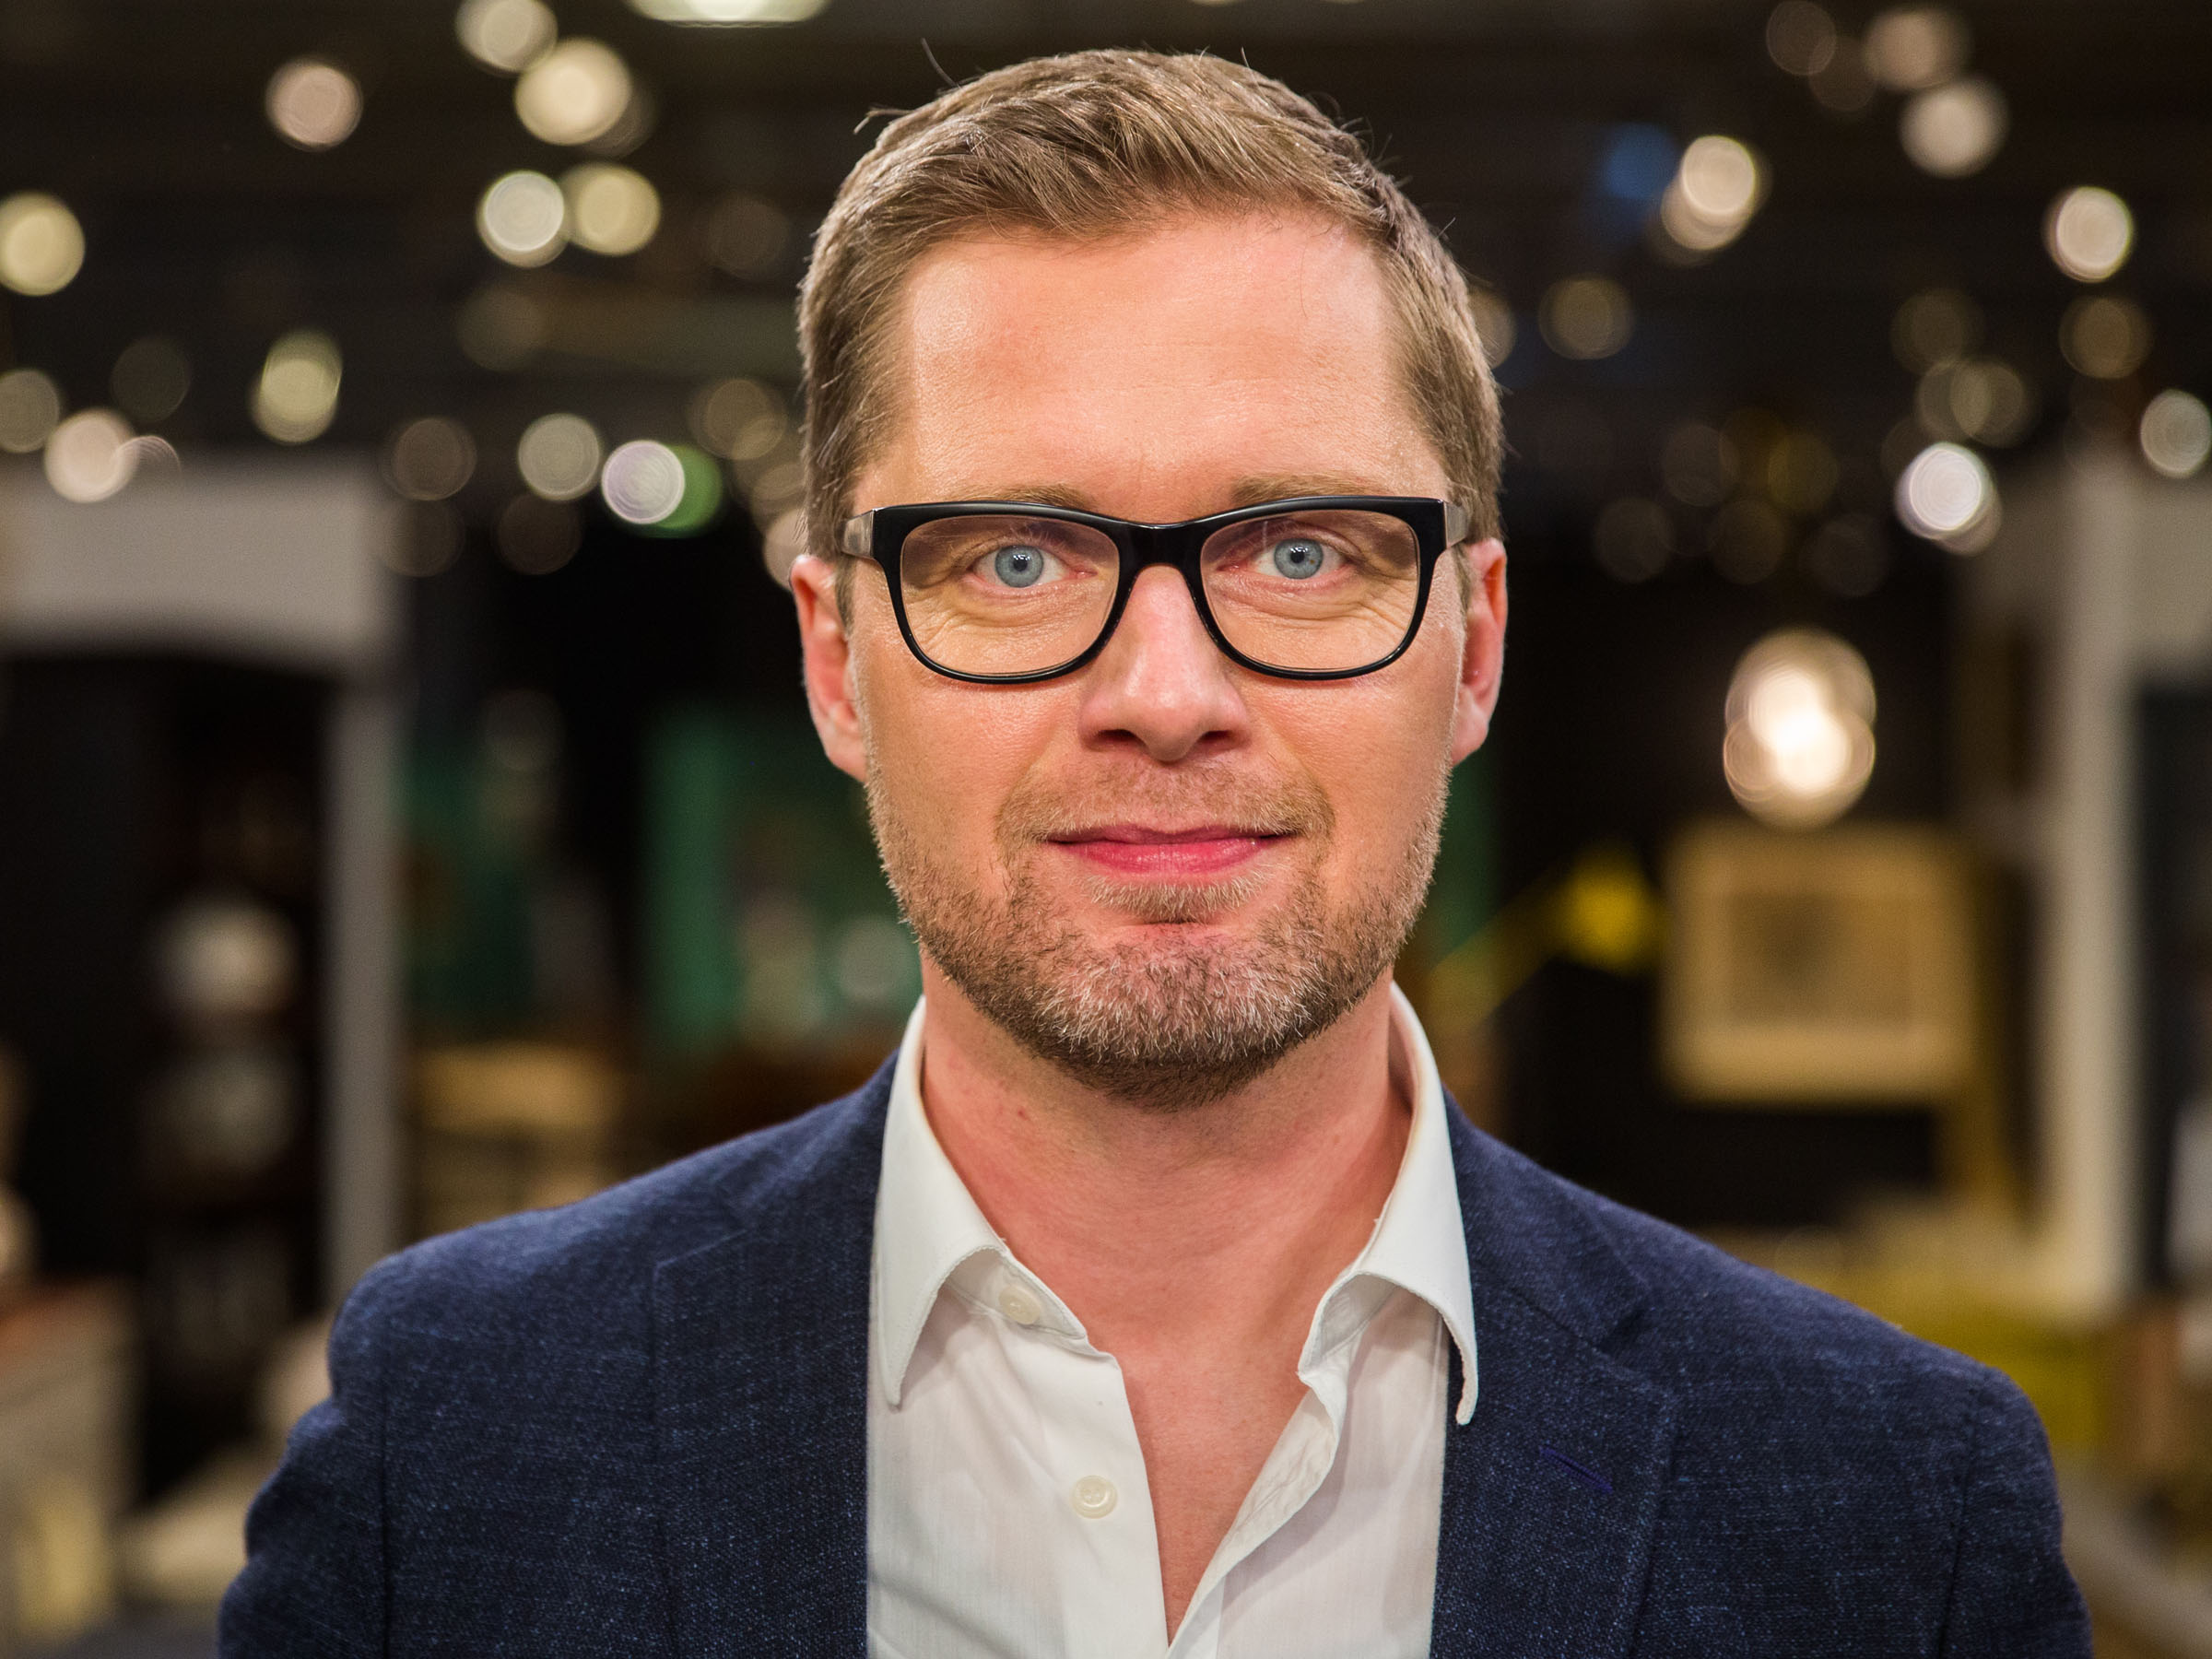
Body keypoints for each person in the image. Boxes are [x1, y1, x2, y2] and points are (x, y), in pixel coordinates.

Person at [222, 50, 2089, 1658]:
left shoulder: (1890, 1517)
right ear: (837, 664)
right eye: (1016, 559)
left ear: (1474, 648)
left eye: (1301, 553)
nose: (1167, 696)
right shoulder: (456, 1451)